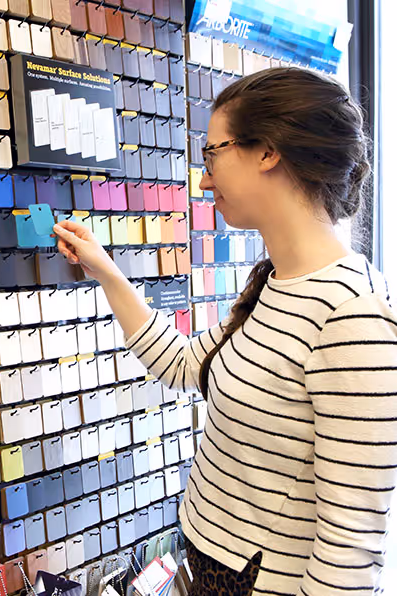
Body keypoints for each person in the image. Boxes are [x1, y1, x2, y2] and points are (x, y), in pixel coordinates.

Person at [53, 67, 397, 596]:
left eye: (212, 154)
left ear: (267, 152)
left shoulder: (355, 315)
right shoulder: (271, 283)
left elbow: (351, 550)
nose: (205, 178)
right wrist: (105, 269)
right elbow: (186, 365)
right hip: (203, 565)